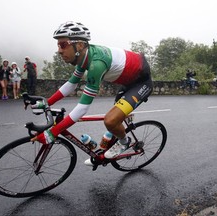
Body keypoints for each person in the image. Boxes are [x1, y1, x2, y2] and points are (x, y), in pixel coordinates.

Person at [30, 21, 153, 164]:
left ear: (80, 45)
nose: (59, 50)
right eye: (58, 45)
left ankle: (124, 141)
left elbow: (83, 107)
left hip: (141, 83)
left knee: (110, 120)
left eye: (63, 45)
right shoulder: (84, 57)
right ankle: (110, 142)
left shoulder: (96, 64)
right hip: (128, 82)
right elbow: (71, 84)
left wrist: (53, 132)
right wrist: (47, 103)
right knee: (115, 118)